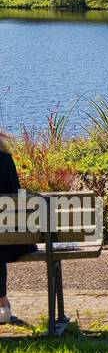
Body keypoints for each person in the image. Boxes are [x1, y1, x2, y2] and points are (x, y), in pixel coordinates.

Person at [0, 134, 36, 325]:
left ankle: (2, 303)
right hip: (12, 241)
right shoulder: (4, 160)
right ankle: (2, 303)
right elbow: (18, 198)